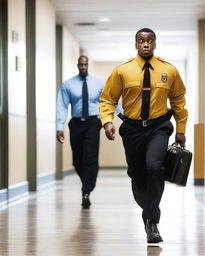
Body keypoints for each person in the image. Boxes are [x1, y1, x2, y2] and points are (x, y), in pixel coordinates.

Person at [99, 28, 188, 243]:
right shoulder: (123, 71)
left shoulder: (169, 70)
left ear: (155, 44)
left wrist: (181, 129)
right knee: (138, 175)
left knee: (155, 166)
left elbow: (178, 100)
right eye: (141, 41)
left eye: (150, 41)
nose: (146, 44)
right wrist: (107, 121)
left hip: (159, 127)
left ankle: (151, 222)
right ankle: (148, 204)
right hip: (132, 130)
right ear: (135, 44)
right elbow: (107, 99)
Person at [56, 56, 103, 209]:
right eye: (81, 65)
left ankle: (86, 192)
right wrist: (59, 127)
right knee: (77, 160)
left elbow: (109, 101)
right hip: (76, 124)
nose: (83, 67)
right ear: (77, 65)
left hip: (93, 123)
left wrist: (119, 116)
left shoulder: (98, 83)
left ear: (88, 65)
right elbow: (62, 106)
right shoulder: (68, 84)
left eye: (85, 64)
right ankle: (87, 185)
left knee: (90, 158)